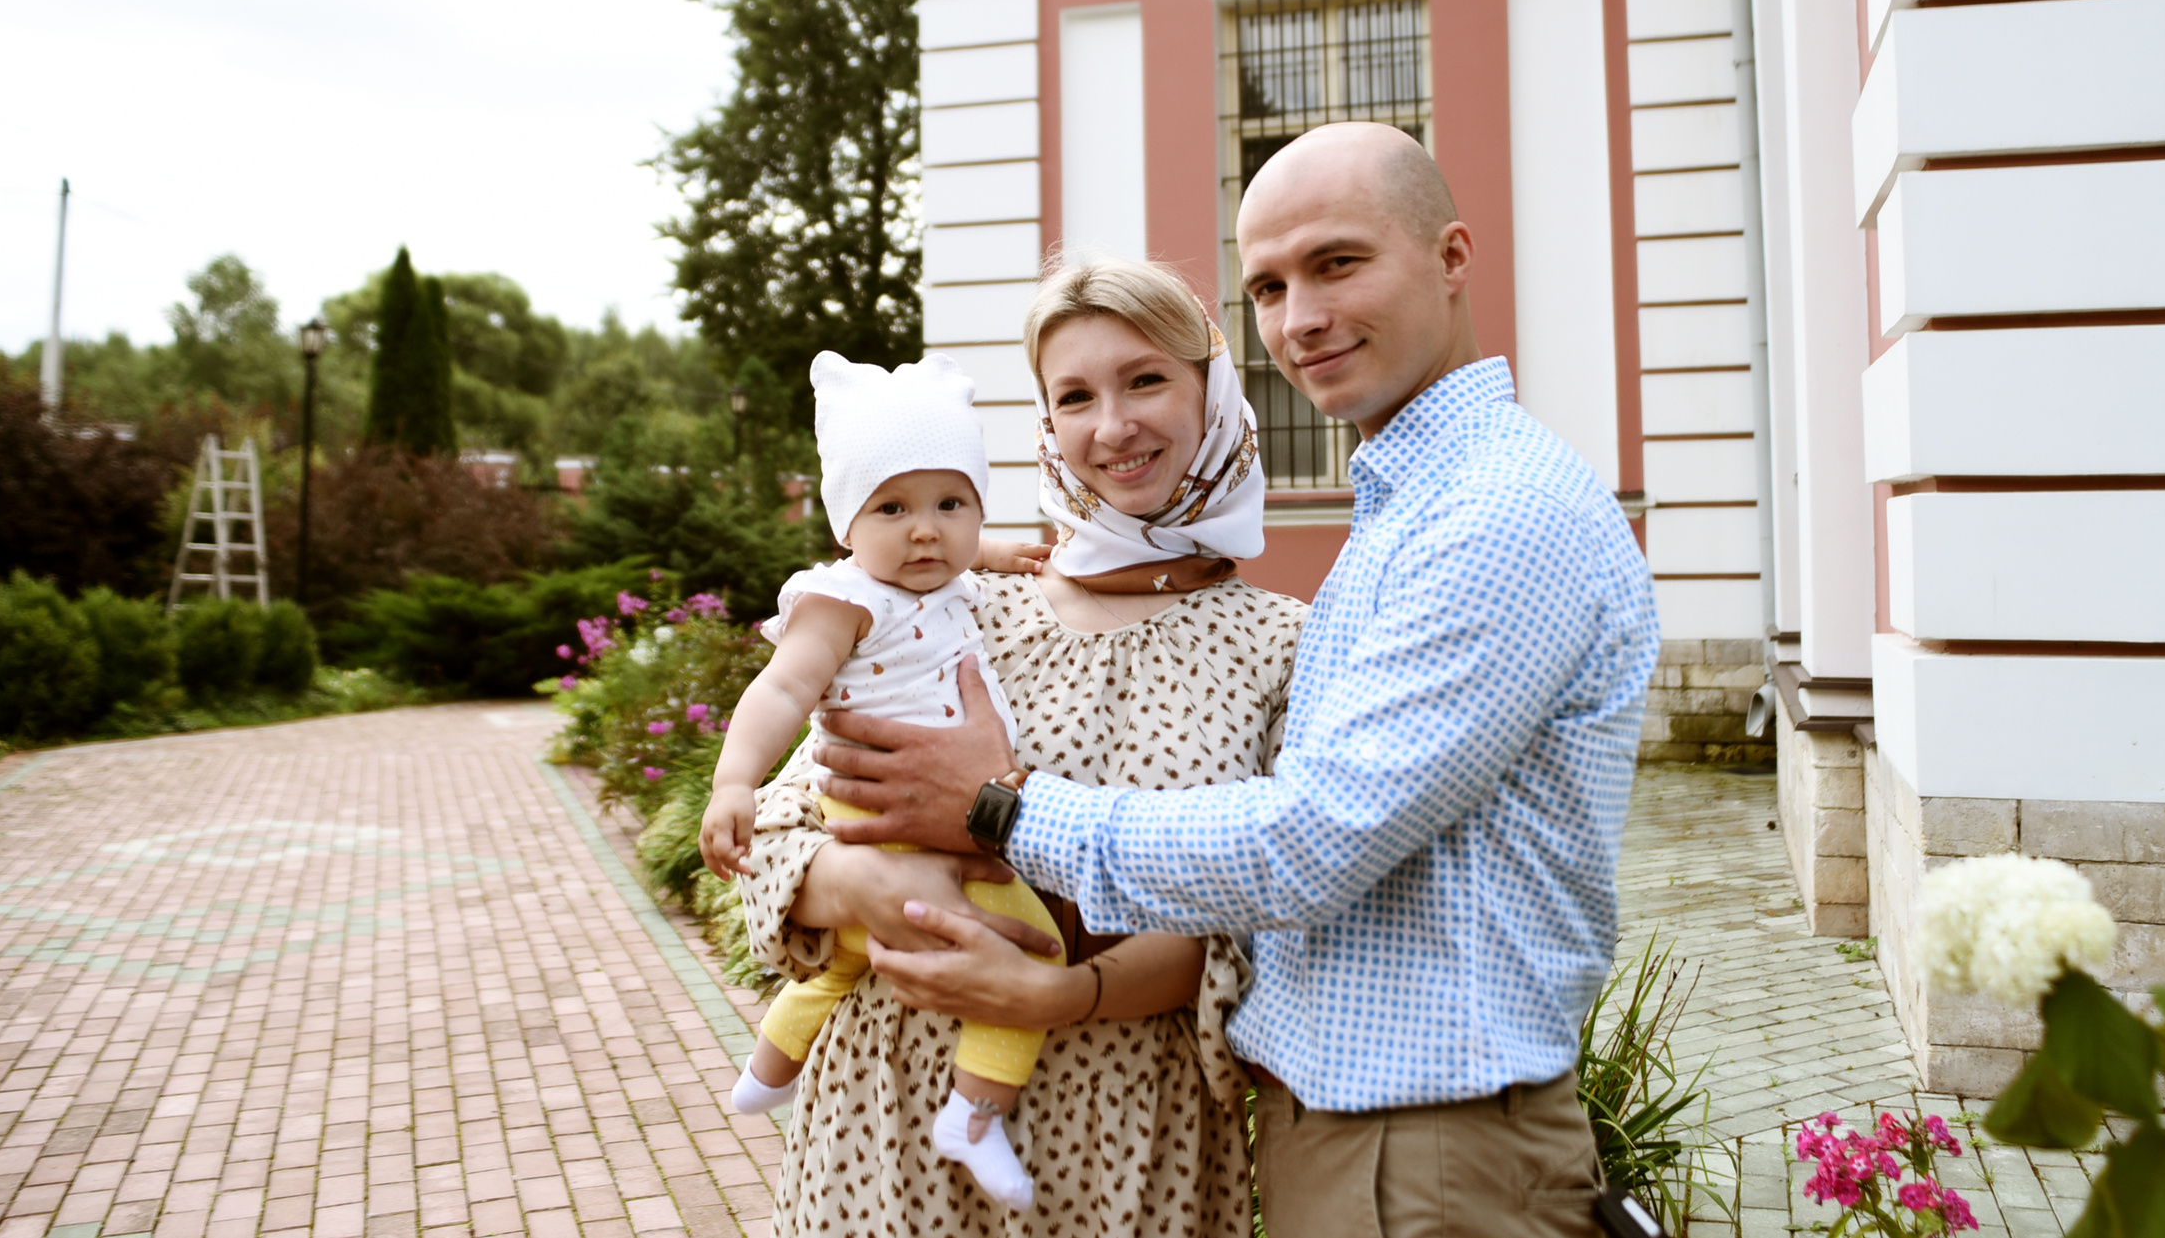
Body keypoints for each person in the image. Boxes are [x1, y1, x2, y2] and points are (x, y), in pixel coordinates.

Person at [814, 122, 1660, 1238]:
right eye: (1267, 284)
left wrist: (1003, 811)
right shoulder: (1408, 507)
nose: (1300, 317)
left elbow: (1308, 844)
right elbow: (797, 809)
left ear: (1453, 255)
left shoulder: (1491, 516)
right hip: (936, 1146)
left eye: (1338, 261)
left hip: (1408, 1143)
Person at [722, 258, 1308, 1235]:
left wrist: (1060, 988)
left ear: (1211, 387)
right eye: (1073, 394)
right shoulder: (949, 603)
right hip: (884, 1136)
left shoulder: (1282, 644)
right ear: (1045, 422)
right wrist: (858, 886)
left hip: (1128, 1145)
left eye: (1146, 378)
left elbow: (1268, 920)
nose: (1111, 424)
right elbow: (782, 817)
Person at [702, 351, 1060, 1208]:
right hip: (894, 813)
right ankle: (972, 1116)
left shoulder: (945, 580)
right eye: (892, 507)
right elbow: (783, 686)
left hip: (909, 815)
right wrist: (732, 782)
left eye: (951, 503)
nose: (926, 530)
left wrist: (1013, 551)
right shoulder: (847, 599)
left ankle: (769, 1069)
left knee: (847, 959)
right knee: (1024, 955)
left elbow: (974, 555)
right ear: (845, 525)